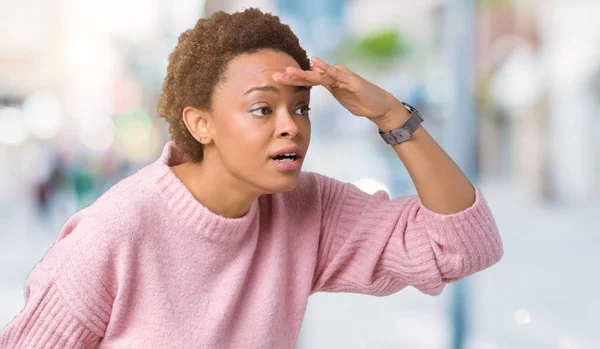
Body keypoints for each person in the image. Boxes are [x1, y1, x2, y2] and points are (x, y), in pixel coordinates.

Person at [0, 8, 503, 349]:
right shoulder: (119, 228)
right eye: (262, 108)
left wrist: (392, 115)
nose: (291, 126)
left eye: (301, 108)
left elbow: (461, 244)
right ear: (201, 122)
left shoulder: (309, 207)